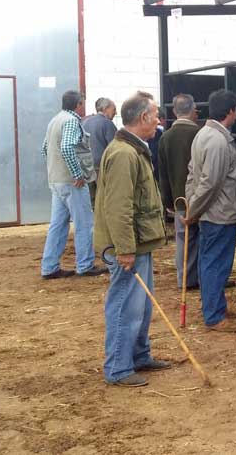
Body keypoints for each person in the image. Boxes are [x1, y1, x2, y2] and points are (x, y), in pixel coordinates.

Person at [94, 93, 171, 387]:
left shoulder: (133, 149)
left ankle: (139, 356)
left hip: (141, 242)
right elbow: (118, 208)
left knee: (141, 305)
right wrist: (124, 249)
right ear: (142, 118)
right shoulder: (125, 154)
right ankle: (117, 368)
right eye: (155, 115)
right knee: (126, 305)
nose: (158, 121)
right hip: (129, 246)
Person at [185, 89, 236, 332]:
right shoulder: (218, 141)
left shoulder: (204, 134)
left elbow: (193, 174)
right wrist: (193, 210)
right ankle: (213, 315)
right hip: (220, 213)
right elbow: (210, 182)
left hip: (215, 211)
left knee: (211, 260)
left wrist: (192, 203)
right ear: (231, 111)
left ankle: (216, 306)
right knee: (215, 262)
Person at [40, 90, 107, 279]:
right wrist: (76, 173)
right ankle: (85, 265)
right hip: (72, 183)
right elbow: (67, 147)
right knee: (84, 223)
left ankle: (49, 266)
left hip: (56, 181)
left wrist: (56, 169)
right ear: (79, 104)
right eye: (83, 103)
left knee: (58, 225)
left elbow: (45, 149)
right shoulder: (71, 121)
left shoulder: (55, 120)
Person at [158, 94, 201, 290]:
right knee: (203, 236)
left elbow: (163, 173)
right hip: (202, 197)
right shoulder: (200, 134)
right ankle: (202, 277)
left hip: (179, 199)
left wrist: (167, 200)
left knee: (183, 238)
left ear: (174, 112)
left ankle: (184, 279)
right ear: (194, 110)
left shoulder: (165, 137)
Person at [82, 97, 117, 207]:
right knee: (106, 200)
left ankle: (94, 223)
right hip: (102, 168)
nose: (115, 113)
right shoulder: (107, 124)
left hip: (86, 167)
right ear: (106, 108)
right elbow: (115, 148)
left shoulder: (85, 123)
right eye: (114, 109)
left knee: (91, 202)